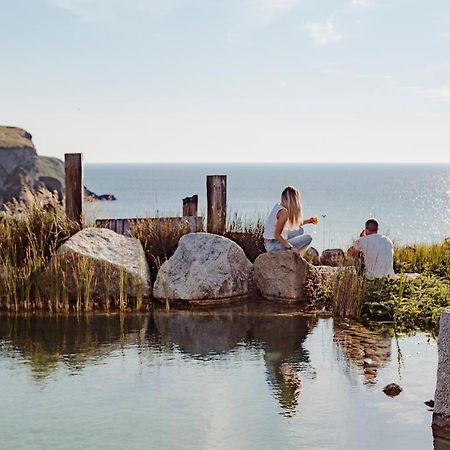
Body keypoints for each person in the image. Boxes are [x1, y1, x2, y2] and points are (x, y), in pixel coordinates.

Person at [263, 186, 316, 253]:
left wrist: (309, 221)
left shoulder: (279, 205)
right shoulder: (284, 212)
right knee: (308, 238)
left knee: (300, 230)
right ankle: (296, 255)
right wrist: (291, 247)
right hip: (273, 245)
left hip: (269, 241)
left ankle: (293, 250)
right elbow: (277, 235)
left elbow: (292, 224)